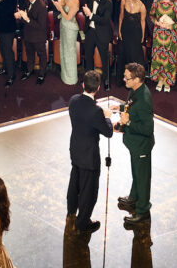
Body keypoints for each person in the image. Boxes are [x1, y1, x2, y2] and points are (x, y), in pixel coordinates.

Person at [66, 69, 114, 236]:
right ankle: (83, 222)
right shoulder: (96, 112)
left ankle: (71, 210)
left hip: (75, 149)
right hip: (89, 156)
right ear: (98, 88)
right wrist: (106, 116)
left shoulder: (73, 101)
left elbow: (85, 113)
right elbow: (108, 132)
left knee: (75, 181)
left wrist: (98, 111)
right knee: (89, 191)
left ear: (83, 85)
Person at [115, 61, 154, 228]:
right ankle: (134, 197)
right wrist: (121, 106)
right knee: (137, 173)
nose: (124, 80)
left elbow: (147, 129)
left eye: (127, 78)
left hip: (142, 145)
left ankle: (143, 210)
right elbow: (132, 106)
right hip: (134, 144)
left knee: (143, 177)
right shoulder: (135, 91)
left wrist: (128, 122)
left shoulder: (144, 98)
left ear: (137, 79)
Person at [148, 0, 177, 92]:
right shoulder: (156, 2)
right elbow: (151, 16)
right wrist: (157, 22)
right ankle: (160, 80)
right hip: (158, 33)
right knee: (158, 57)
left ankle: (168, 81)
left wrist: (171, 26)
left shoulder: (176, 4)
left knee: (169, 59)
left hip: (171, 36)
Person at [56, 0, 81, 86]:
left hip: (70, 28)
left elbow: (68, 17)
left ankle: (71, 78)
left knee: (69, 52)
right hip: (63, 26)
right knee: (63, 49)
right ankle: (65, 76)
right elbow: (61, 4)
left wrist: (60, 8)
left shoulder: (75, 0)